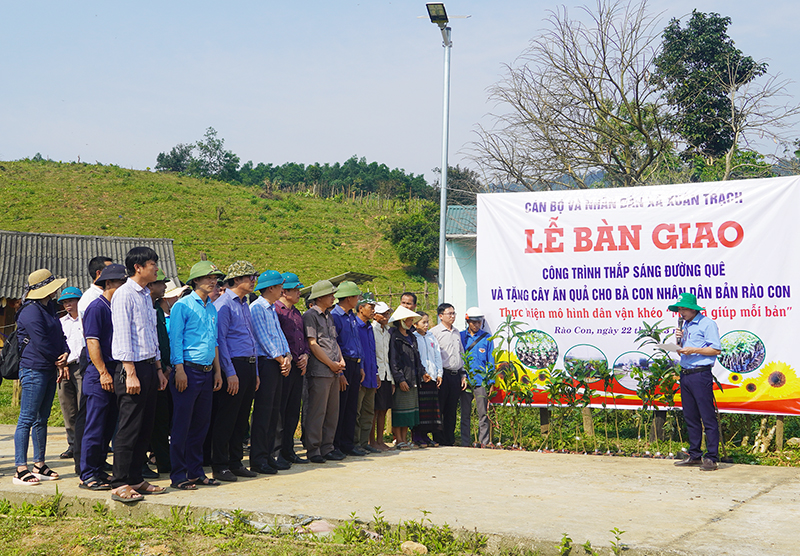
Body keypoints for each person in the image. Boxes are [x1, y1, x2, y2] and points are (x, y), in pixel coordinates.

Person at [110, 247, 168, 502]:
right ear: (138, 267)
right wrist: (130, 372)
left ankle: (136, 478)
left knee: (145, 425)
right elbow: (123, 335)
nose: (156, 268)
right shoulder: (124, 294)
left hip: (148, 367)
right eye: (153, 263)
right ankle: (120, 481)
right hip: (130, 367)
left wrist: (158, 369)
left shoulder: (146, 295)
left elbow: (150, 336)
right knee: (129, 426)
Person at [168, 261, 225, 490]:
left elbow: (215, 342)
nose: (213, 282)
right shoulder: (182, 306)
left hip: (207, 371)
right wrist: (179, 369)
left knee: (201, 424)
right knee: (182, 424)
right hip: (188, 370)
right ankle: (178, 474)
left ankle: (196, 471)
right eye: (208, 278)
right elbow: (176, 340)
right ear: (195, 282)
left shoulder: (211, 306)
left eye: (215, 279)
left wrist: (218, 371)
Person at [14, 269, 70, 485]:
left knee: (42, 419)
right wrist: (58, 358)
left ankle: (39, 463)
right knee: (27, 418)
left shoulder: (49, 309)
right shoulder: (30, 311)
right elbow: (40, 341)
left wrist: (65, 352)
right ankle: (20, 468)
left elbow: (60, 334)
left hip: (48, 368)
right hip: (33, 369)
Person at [80, 263, 127, 491]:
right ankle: (87, 473)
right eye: (120, 283)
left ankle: (98, 469)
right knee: (95, 426)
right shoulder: (96, 307)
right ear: (108, 284)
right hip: (100, 373)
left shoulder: (115, 307)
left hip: (114, 370)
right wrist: (102, 372)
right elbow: (92, 341)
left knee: (108, 426)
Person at [212, 261, 260, 482]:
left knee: (241, 418)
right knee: (227, 417)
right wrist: (229, 372)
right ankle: (220, 465)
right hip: (234, 364)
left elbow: (250, 338)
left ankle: (235, 461)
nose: (253, 281)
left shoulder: (244, 304)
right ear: (236, 279)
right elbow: (220, 341)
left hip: (249, 364)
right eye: (249, 277)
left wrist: (256, 371)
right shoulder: (223, 304)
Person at [670, 292, 722, 471]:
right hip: (685, 374)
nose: (680, 313)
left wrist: (694, 350)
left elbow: (715, 349)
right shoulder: (686, 325)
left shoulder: (708, 324)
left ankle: (712, 457)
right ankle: (694, 455)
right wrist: (680, 344)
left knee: (707, 416)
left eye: (683, 309)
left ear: (693, 309)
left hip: (700, 375)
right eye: (679, 309)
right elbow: (682, 350)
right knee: (690, 416)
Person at [250, 270, 292, 475]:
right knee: (263, 412)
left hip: (277, 362)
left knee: (274, 411)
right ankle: (258, 458)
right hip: (266, 362)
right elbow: (262, 337)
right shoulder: (257, 308)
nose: (282, 290)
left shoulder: (271, 309)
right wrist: (279, 357)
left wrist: (288, 355)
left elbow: (279, 335)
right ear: (270, 288)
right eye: (279, 286)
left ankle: (268, 455)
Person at [303, 280, 346, 463]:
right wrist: (330, 363)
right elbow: (313, 344)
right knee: (317, 411)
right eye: (330, 294)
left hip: (334, 369)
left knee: (331, 412)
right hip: (320, 370)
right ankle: (313, 449)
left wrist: (340, 360)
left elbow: (334, 341)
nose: (333, 297)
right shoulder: (310, 315)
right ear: (319, 297)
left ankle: (327, 447)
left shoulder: (330, 316)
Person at [273, 272, 310, 465]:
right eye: (295, 289)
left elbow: (302, 339)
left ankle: (288, 450)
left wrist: (305, 355)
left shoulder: (297, 313)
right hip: (283, 366)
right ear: (284, 292)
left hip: (298, 367)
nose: (298, 293)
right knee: (280, 410)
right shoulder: (276, 311)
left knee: (293, 410)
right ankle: (277, 451)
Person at [331, 281, 367, 457]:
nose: (358, 299)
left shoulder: (352, 315)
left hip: (355, 364)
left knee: (352, 406)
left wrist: (360, 366)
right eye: (356, 296)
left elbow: (356, 342)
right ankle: (335, 444)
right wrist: (341, 372)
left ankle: (348, 443)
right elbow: (335, 344)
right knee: (341, 407)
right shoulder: (335, 316)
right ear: (349, 298)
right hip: (342, 364)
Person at [430, 303, 466, 447]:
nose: (452, 316)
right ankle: (439, 438)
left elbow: (461, 354)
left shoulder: (457, 332)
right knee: (440, 408)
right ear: (440, 316)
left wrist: (463, 374)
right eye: (449, 313)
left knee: (452, 409)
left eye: (453, 313)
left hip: (456, 375)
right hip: (442, 375)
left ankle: (450, 439)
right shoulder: (434, 332)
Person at [388, 306, 423, 448]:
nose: (410, 322)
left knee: (409, 411)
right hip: (403, 378)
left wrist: (422, 372)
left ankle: (404, 438)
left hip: (412, 377)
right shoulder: (395, 337)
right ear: (401, 321)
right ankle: (399, 439)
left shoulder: (412, 337)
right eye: (408, 320)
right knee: (400, 410)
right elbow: (394, 360)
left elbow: (417, 357)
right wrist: (400, 379)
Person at [460, 307, 495, 448]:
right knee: (465, 414)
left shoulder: (487, 338)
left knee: (483, 414)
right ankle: (465, 443)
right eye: (473, 322)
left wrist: (491, 381)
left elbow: (490, 360)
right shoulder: (461, 336)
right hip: (464, 380)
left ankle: (484, 442)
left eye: (479, 322)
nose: (476, 325)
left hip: (481, 381)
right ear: (467, 321)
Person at [147, 270, 170, 478]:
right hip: (152, 369)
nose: (164, 287)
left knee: (162, 418)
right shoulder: (146, 307)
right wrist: (159, 367)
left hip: (164, 369)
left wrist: (168, 365)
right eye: (161, 283)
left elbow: (163, 339)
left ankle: (164, 461)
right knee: (148, 420)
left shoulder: (158, 308)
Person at [57, 286, 84, 460]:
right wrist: (61, 364)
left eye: (71, 300)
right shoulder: (61, 322)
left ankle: (86, 444)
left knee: (84, 405)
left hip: (82, 366)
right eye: (65, 302)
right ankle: (73, 444)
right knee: (67, 407)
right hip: (64, 368)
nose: (68, 304)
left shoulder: (86, 319)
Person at [413, 311, 443, 447]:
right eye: (423, 322)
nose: (426, 325)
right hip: (421, 378)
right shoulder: (413, 338)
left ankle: (426, 436)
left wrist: (439, 374)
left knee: (430, 410)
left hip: (432, 377)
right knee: (420, 409)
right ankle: (417, 436)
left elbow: (437, 356)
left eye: (427, 322)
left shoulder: (431, 337)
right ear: (415, 324)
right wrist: (421, 373)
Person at [354, 294, 380, 453]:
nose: (373, 310)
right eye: (371, 307)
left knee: (368, 411)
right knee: (356, 411)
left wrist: (376, 372)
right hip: (360, 375)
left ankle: (364, 443)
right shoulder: (355, 326)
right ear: (360, 307)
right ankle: (355, 443)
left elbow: (372, 351)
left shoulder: (370, 326)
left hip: (371, 375)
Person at [371, 302, 394, 451]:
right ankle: (371, 441)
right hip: (376, 373)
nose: (386, 317)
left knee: (383, 409)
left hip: (386, 374)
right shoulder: (371, 329)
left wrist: (391, 379)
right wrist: (375, 373)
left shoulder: (387, 332)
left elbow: (387, 356)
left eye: (388, 314)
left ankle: (380, 440)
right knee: (373, 409)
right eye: (383, 314)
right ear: (375, 315)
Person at [78, 256, 113, 320]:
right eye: (109, 271)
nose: (113, 274)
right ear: (99, 273)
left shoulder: (109, 292)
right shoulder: (90, 297)